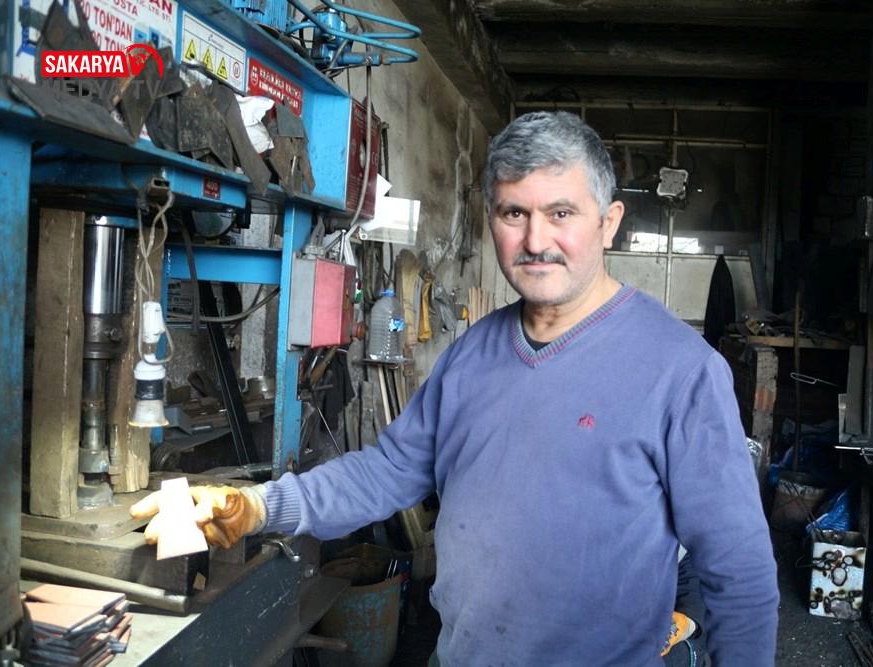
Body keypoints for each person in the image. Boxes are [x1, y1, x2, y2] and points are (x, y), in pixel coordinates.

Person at [132, 111, 778, 665]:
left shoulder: (681, 370)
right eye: (514, 213)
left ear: (608, 222)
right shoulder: (473, 353)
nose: (536, 240)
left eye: (561, 213)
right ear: (492, 218)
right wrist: (259, 505)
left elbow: (739, 573)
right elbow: (388, 471)